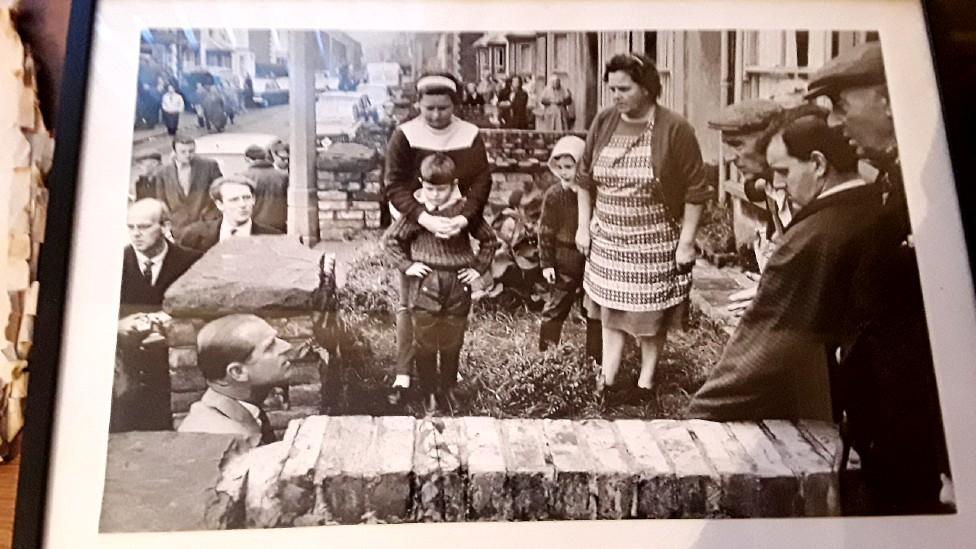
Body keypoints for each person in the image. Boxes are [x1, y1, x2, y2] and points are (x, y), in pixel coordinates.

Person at [806, 40, 952, 514]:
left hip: (925, 439)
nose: (834, 122)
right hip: (883, 431)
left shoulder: (939, 183)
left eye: (842, 106)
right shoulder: (894, 180)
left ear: (889, 100)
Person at [688, 108, 881, 421]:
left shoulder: (813, 237)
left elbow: (762, 350)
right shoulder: (870, 206)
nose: (777, 182)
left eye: (783, 171)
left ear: (818, 164)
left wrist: (700, 415)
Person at [575, 53, 709, 403]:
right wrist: (583, 227)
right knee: (610, 311)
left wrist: (686, 242)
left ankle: (646, 384)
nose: (615, 96)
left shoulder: (675, 128)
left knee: (650, 317)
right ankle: (608, 381)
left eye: (624, 88)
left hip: (654, 239)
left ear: (647, 89)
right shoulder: (604, 121)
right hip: (608, 237)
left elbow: (697, 190)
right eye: (612, 89)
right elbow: (584, 178)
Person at [383, 71, 492, 404]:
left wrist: (463, 217)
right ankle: (405, 372)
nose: (435, 115)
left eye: (443, 108)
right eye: (429, 108)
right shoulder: (405, 134)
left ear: (454, 104)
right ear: (419, 104)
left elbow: (481, 182)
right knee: (410, 301)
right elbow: (394, 183)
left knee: (448, 310)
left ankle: (447, 374)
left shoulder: (469, 134)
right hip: (414, 220)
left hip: (455, 218)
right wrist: (422, 218)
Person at [113, 199, 201, 432]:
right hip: (126, 375)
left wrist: (170, 323)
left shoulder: (192, 262)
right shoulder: (114, 263)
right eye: (130, 227)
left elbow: (201, 313)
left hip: (174, 374)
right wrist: (117, 325)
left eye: (143, 227)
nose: (135, 234)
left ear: (164, 226)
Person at [178, 314, 294, 445]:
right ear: (237, 372)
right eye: (270, 346)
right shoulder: (221, 438)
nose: (287, 346)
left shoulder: (242, 410)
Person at [537, 135, 601, 358]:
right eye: (560, 167)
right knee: (556, 307)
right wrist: (547, 263)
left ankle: (595, 360)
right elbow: (545, 231)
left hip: (591, 257)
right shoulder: (554, 195)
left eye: (569, 167)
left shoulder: (594, 193)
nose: (564, 172)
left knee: (594, 310)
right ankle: (547, 355)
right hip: (564, 257)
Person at [178, 175, 282, 253]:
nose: (242, 204)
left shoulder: (273, 238)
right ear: (220, 204)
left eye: (246, 198)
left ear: (253, 200)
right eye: (234, 200)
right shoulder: (194, 235)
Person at [147, 134, 223, 239]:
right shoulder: (163, 173)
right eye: (183, 152)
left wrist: (212, 218)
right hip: (178, 229)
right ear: (175, 152)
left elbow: (220, 192)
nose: (188, 155)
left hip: (206, 227)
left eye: (191, 151)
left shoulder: (209, 166)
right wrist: (169, 223)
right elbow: (161, 201)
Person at [243, 145, 289, 232]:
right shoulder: (283, 176)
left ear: (248, 159)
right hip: (278, 224)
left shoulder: (243, 177)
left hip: (254, 226)